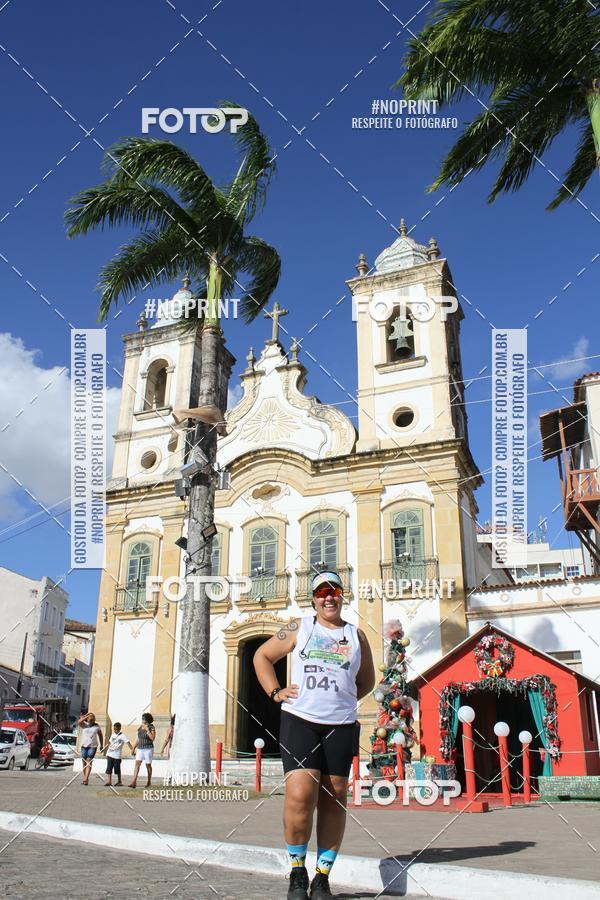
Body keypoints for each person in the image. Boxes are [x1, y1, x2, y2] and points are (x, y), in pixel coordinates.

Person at [254, 571, 375, 900]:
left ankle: (322, 877)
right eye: (322, 591)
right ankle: (297, 871)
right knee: (299, 795)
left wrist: (342, 698)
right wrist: (276, 691)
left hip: (341, 724)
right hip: (300, 720)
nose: (329, 596)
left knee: (335, 796)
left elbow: (367, 681)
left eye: (334, 590)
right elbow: (262, 656)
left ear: (342, 595)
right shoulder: (299, 626)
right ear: (314, 599)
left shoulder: (356, 635)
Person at [129, 712, 155, 788]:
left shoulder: (151, 727)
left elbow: (152, 738)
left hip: (148, 748)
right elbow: (138, 738)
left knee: (148, 765)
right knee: (137, 764)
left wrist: (147, 730)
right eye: (142, 718)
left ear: (146, 719)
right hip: (140, 748)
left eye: (143, 718)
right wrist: (133, 748)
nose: (142, 720)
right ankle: (134, 782)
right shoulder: (140, 727)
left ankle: (149, 782)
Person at [78, 713, 103, 786]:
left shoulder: (97, 726)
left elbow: (100, 735)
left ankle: (85, 778)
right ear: (87, 718)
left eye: (93, 717)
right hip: (84, 746)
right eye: (90, 717)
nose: (91, 718)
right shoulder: (84, 725)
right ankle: (85, 777)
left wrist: (101, 745)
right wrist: (86, 716)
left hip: (92, 746)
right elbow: (79, 722)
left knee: (89, 761)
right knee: (84, 762)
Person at [103, 722, 131, 786]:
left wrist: (132, 750)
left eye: (116, 729)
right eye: (114, 729)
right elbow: (109, 743)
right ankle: (109, 781)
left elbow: (128, 742)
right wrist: (106, 750)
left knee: (117, 768)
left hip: (117, 755)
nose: (115, 730)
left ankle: (119, 781)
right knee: (109, 768)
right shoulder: (113, 735)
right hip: (110, 753)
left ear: (119, 728)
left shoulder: (122, 736)